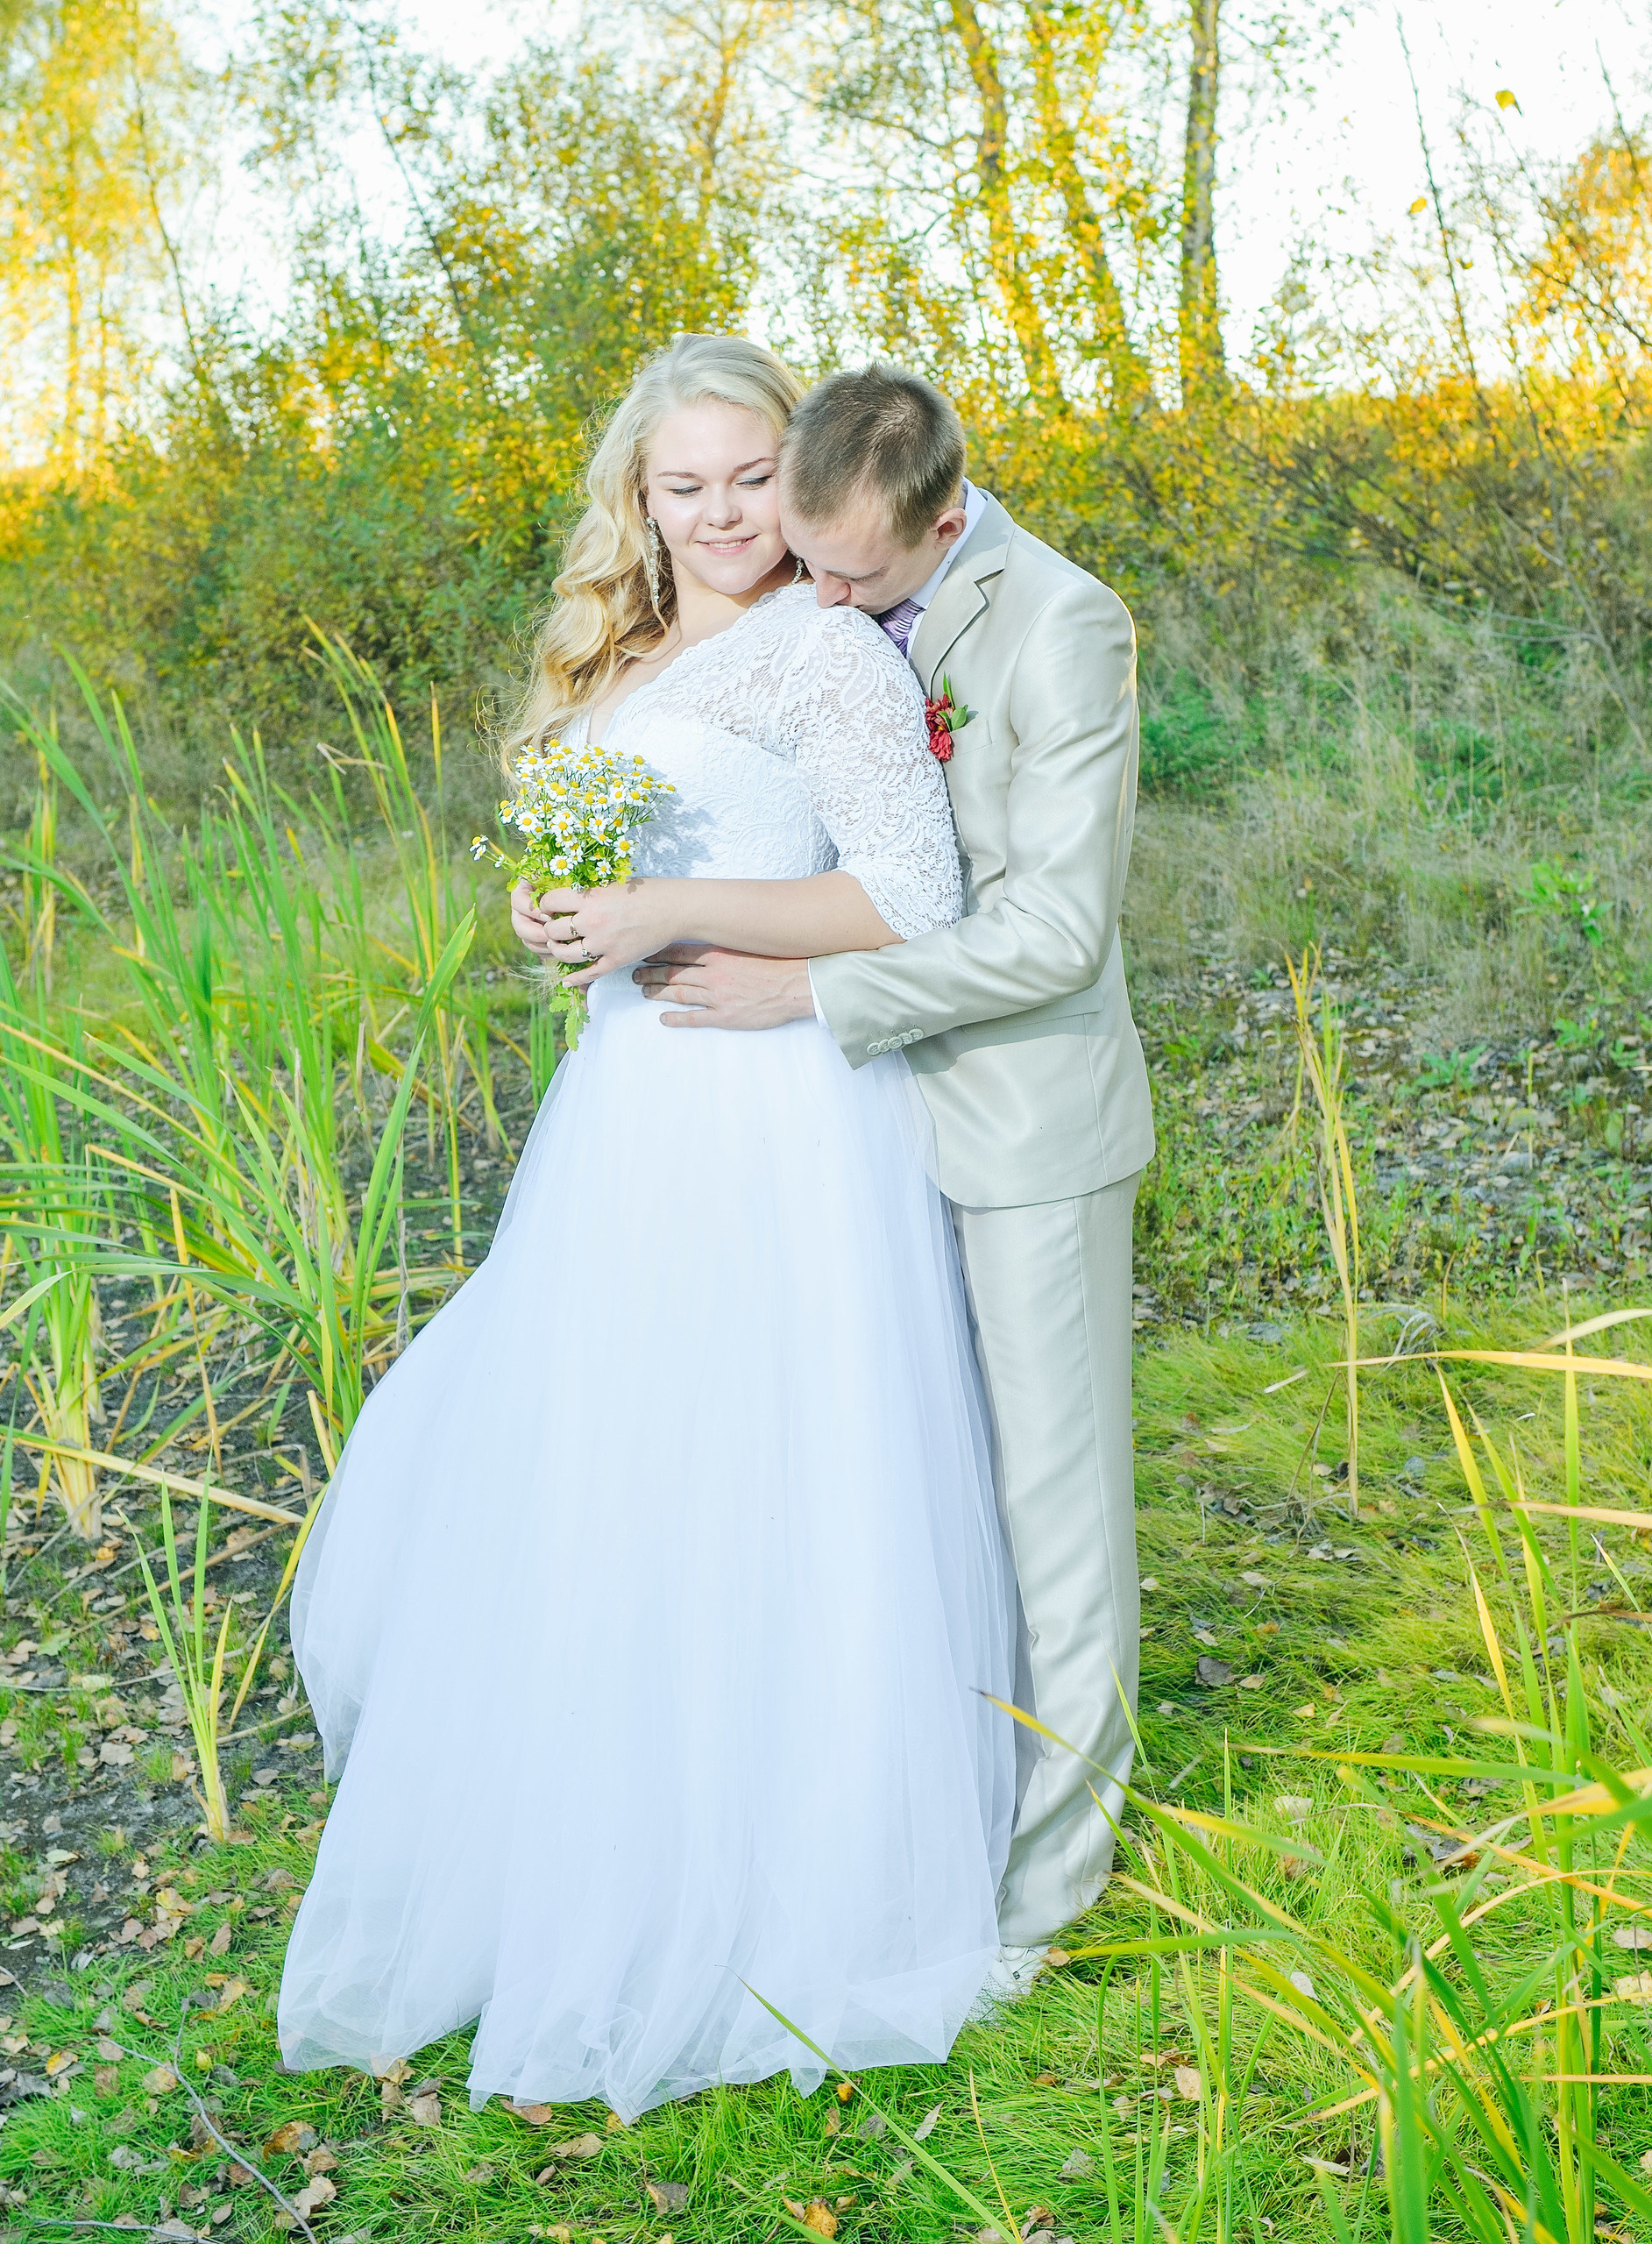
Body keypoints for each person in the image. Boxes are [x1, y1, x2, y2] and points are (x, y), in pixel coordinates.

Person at [276, 334, 1021, 2120]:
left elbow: (908, 889)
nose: (715, 513)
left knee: (761, 1457)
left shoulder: (826, 653)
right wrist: (562, 917)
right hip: (629, 1100)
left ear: (802, 471)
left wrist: (662, 902)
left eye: (747, 478)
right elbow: (603, 868)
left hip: (772, 1106)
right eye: (678, 484)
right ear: (636, 492)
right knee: (602, 1452)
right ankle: (578, 1841)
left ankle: (775, 1868)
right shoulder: (621, 654)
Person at [613, 364, 1156, 1981]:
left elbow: (1057, 930)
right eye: (808, 559)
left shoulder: (1065, 625)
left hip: (1015, 1119)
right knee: (911, 1490)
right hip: (848, 1130)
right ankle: (916, 1803)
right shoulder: (837, 563)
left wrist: (816, 992)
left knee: (1053, 1514)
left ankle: (1048, 1890)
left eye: (856, 575)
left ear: (944, 512)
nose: (823, 596)